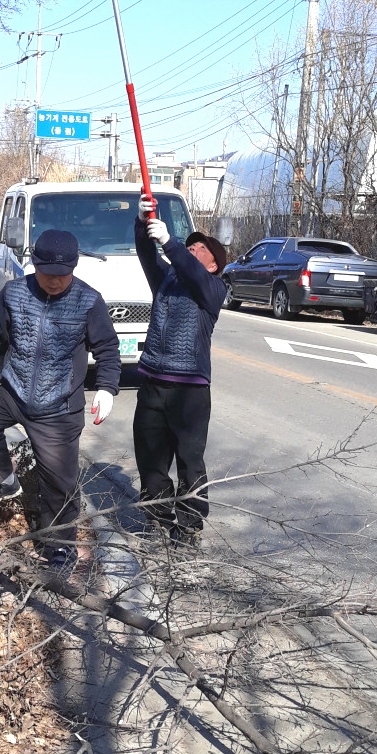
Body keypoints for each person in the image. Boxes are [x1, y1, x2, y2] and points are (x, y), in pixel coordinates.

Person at [0, 229, 121, 576]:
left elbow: (108, 348)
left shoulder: (88, 301)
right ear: (35, 265)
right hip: (14, 391)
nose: (55, 281)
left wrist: (107, 388)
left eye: (63, 274)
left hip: (59, 407)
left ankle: (59, 546)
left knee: (59, 483)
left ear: (73, 269)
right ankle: (3, 481)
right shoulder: (15, 292)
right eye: (48, 273)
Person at [132, 194, 227, 548]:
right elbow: (146, 253)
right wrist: (142, 222)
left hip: (190, 390)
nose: (193, 249)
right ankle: (157, 518)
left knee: (190, 461)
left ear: (213, 265)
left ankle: (188, 527)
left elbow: (192, 271)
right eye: (190, 246)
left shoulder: (213, 288)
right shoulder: (165, 279)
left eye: (201, 249)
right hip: (153, 382)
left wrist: (171, 243)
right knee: (150, 459)